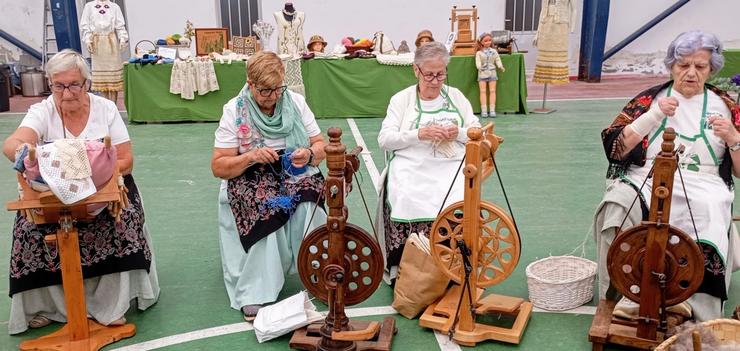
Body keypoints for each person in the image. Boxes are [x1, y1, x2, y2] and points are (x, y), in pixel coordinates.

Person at [1, 49, 159, 334]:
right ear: (51, 85)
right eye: (59, 85)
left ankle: (110, 306)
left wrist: (94, 179)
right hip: (55, 196)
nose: (67, 92)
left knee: (122, 221)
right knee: (28, 231)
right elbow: (12, 143)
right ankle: (49, 307)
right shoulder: (43, 111)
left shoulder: (105, 109)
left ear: (86, 83)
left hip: (103, 189)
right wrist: (24, 152)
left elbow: (126, 159)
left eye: (74, 84)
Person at [595, 31, 740, 322]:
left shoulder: (725, 106)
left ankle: (696, 308)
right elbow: (617, 150)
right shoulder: (652, 99)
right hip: (645, 177)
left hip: (706, 183)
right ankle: (624, 294)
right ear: (671, 66)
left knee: (709, 211)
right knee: (617, 204)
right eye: (682, 65)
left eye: (699, 66)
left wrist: (734, 138)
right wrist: (653, 116)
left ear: (711, 69)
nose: (690, 73)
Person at [211, 51, 327, 321]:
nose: (273, 97)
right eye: (265, 91)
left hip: (292, 169)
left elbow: (320, 144)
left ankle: (321, 274)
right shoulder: (234, 110)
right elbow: (218, 166)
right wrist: (250, 156)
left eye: (277, 89)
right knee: (270, 208)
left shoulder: (295, 102)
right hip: (251, 174)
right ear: (250, 84)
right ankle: (256, 291)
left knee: (310, 199)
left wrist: (309, 155)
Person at [375, 42, 481, 283]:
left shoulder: (455, 96)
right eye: (429, 74)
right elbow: (385, 140)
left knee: (456, 195)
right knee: (405, 193)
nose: (435, 81)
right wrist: (419, 134)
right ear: (416, 70)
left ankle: (453, 265)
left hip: (450, 165)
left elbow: (477, 130)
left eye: (440, 74)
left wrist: (459, 133)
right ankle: (408, 269)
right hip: (411, 165)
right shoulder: (401, 100)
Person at [79, 0, 128, 102]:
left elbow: (120, 26)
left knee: (113, 77)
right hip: (97, 43)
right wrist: (88, 40)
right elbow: (84, 25)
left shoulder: (114, 7)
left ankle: (113, 105)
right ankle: (106, 104)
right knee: (102, 80)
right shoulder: (89, 6)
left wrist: (123, 38)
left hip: (111, 42)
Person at [475, 32, 505, 118]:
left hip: (492, 72)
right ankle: (484, 110)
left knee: (492, 91)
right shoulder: (479, 53)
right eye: (485, 41)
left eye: (489, 40)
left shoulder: (494, 51)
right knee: (482, 91)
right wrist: (479, 67)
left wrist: (500, 66)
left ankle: (492, 110)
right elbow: (477, 61)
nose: (488, 42)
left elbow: (497, 59)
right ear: (481, 42)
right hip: (482, 72)